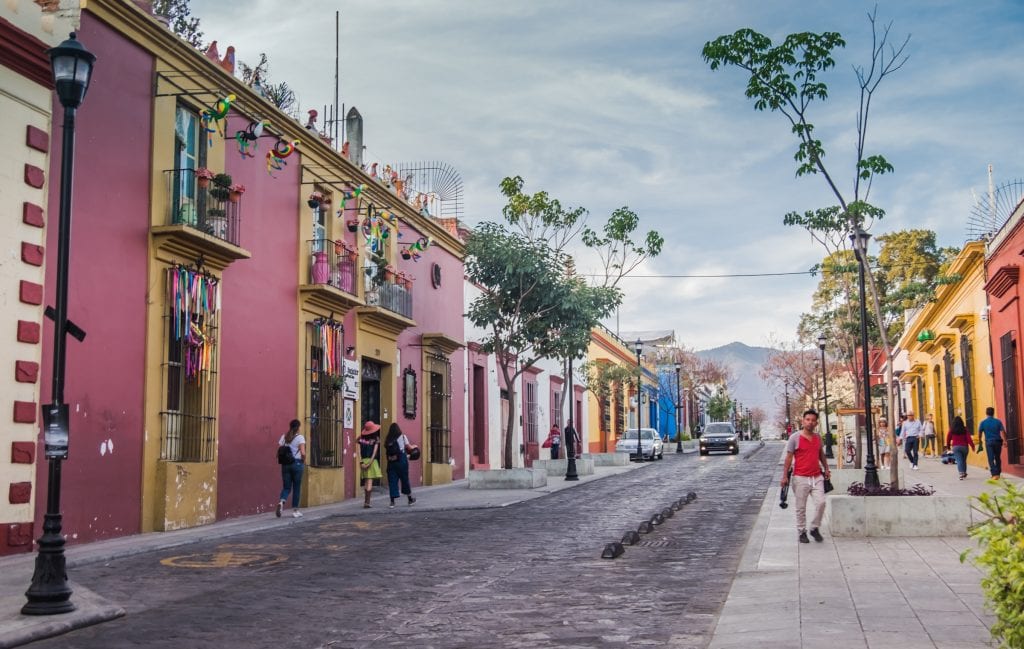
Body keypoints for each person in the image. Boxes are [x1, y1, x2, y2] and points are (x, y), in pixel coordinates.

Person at [781, 409, 831, 544]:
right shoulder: (795, 438)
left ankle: (814, 528)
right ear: (803, 421)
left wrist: (826, 468)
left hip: (816, 477)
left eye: (813, 420)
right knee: (800, 507)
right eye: (808, 419)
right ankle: (802, 531)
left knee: (821, 503)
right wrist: (784, 476)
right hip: (800, 477)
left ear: (816, 423)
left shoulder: (817, 438)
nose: (810, 422)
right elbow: (788, 458)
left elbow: (821, 454)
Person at [276, 419, 306, 518]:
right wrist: (303, 461)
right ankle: (295, 511)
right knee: (296, 487)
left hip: (285, 465)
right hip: (296, 464)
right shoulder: (300, 437)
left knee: (286, 487)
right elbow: (303, 452)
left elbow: (279, 450)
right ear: (298, 427)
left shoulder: (284, 437)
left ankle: (281, 502)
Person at [384, 422, 416, 508]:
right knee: (404, 479)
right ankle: (410, 499)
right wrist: (414, 446)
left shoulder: (388, 439)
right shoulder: (402, 436)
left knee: (392, 481)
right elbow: (409, 447)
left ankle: (392, 502)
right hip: (401, 460)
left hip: (391, 461)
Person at [358, 421, 383, 508]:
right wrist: (370, 463)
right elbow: (374, 453)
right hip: (371, 462)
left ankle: (366, 501)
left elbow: (359, 451)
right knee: (369, 481)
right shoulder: (376, 439)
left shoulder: (361, 439)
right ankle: (367, 502)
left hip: (363, 460)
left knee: (366, 481)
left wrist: (361, 462)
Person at [978, 407, 1007, 479]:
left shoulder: (983, 422)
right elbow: (1003, 431)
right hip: (998, 442)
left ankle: (994, 474)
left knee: (991, 458)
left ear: (986, 413)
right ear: (993, 413)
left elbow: (979, 432)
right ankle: (998, 473)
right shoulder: (998, 421)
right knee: (997, 457)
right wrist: (1005, 441)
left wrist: (979, 440)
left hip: (989, 442)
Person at [945, 415, 975, 480]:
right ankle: (964, 472)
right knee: (963, 460)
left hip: (955, 447)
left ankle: (961, 473)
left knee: (959, 460)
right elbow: (969, 438)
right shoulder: (964, 429)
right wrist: (972, 446)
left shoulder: (952, 430)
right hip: (964, 447)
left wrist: (948, 447)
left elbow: (948, 438)